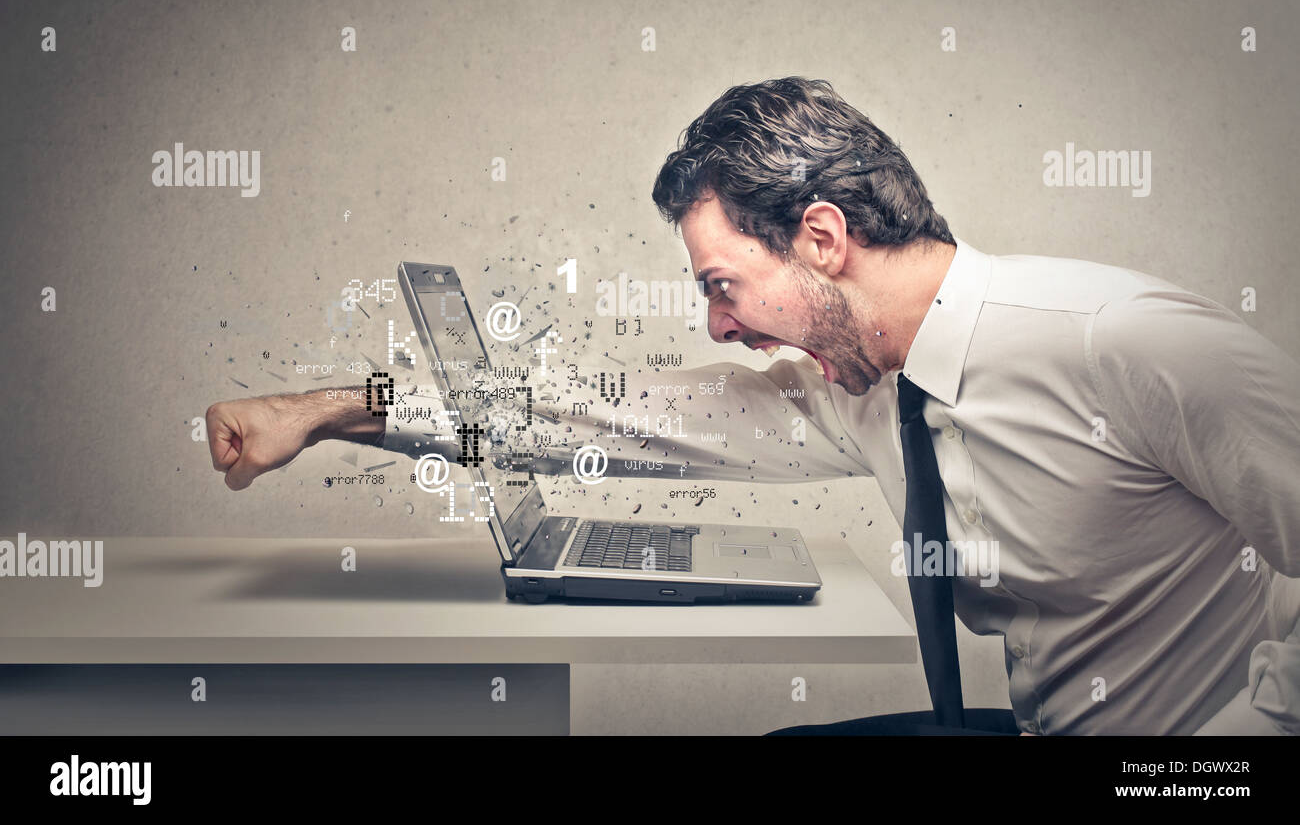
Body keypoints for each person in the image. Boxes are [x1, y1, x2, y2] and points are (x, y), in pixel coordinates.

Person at [206, 77, 1300, 735]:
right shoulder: (864, 391)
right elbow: (592, 414)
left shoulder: (1127, 342)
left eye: (720, 286)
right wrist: (331, 409)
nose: (718, 328)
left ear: (821, 238)